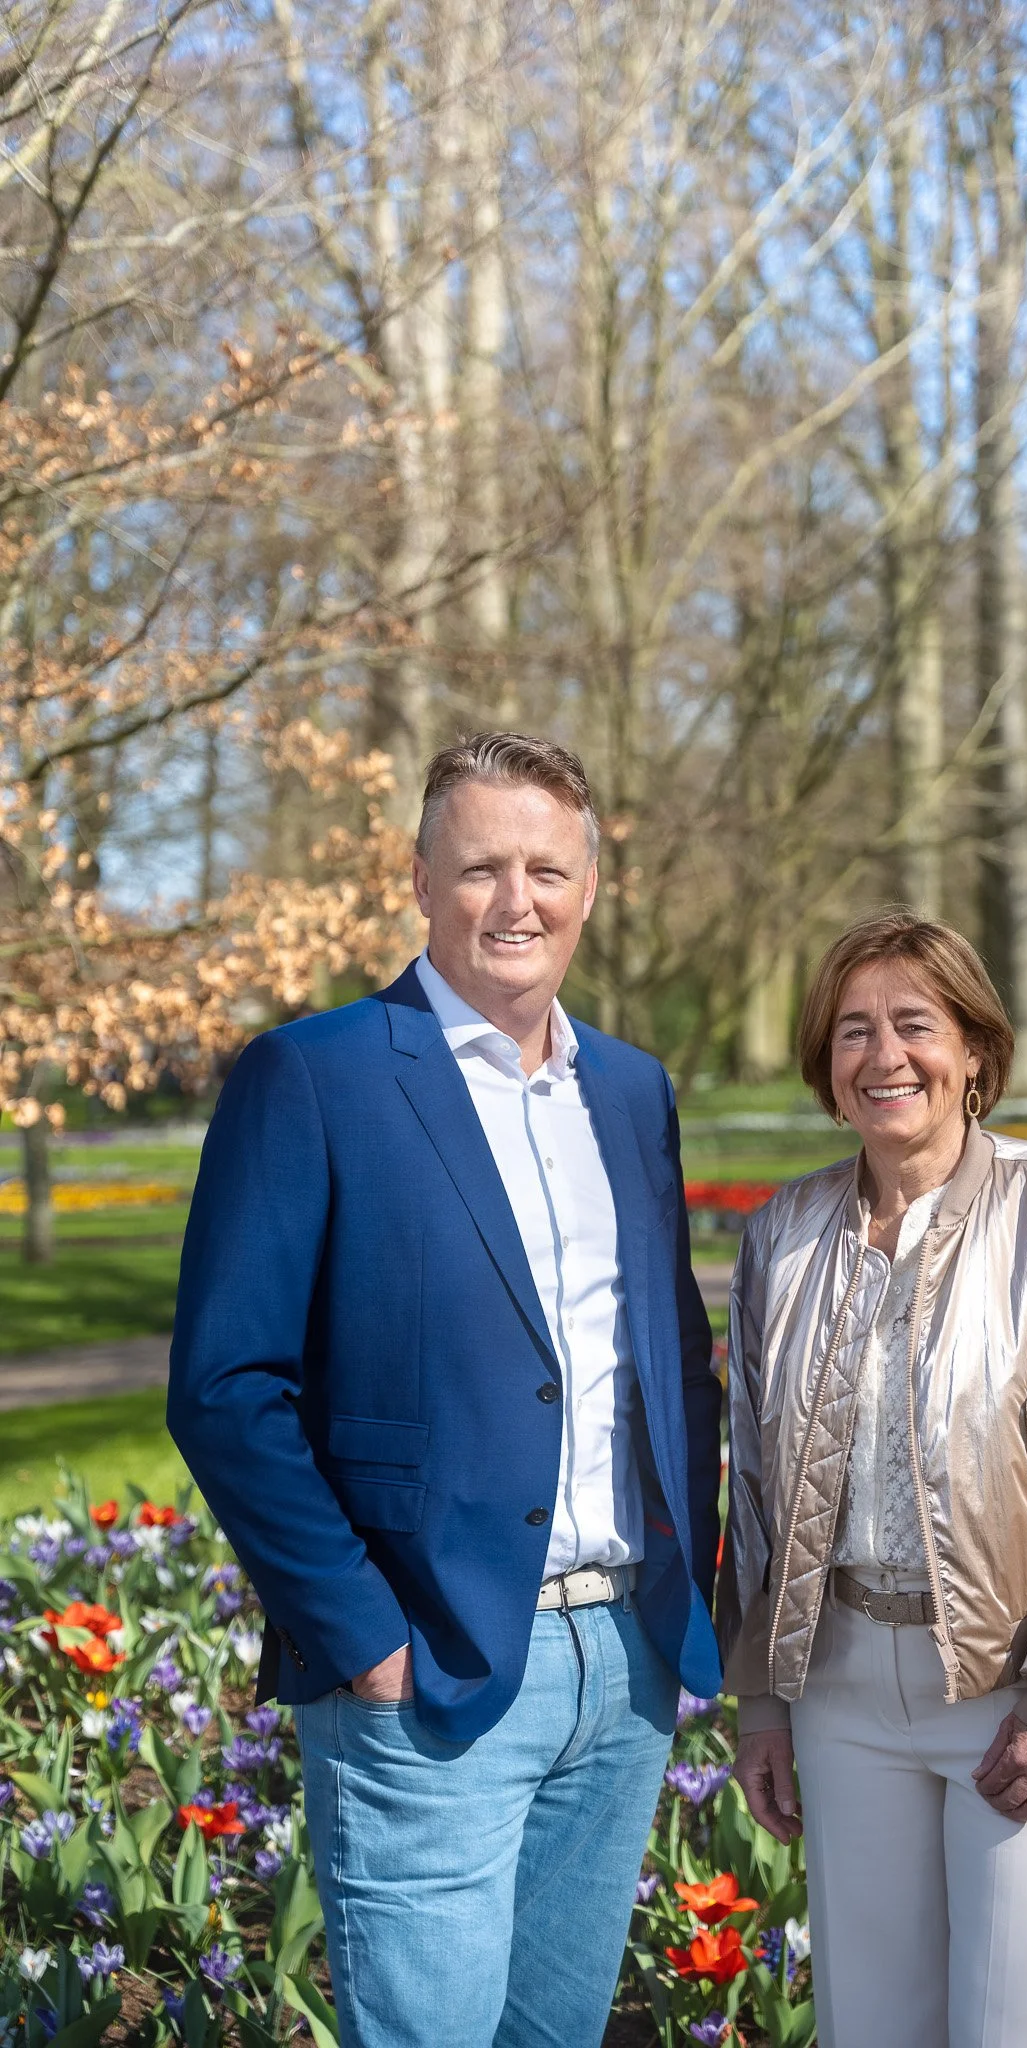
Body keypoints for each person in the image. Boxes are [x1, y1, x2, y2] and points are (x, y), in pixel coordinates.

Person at [168, 732, 722, 2048]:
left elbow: (669, 1356)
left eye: (546, 868)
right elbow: (225, 1386)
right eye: (479, 867)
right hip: (429, 1672)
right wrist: (358, 1632)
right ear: (418, 879)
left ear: (593, 885)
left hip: (625, 1668)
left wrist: (689, 1588)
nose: (514, 900)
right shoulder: (318, 1077)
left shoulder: (633, 1095)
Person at [717, 909, 1027, 2048]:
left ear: (975, 1049)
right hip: (839, 1694)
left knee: (1014, 2029)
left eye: (915, 1025)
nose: (885, 1056)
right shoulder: (783, 1234)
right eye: (852, 1031)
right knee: (868, 2028)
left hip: (1012, 1690)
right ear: (826, 1066)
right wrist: (764, 1695)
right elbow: (754, 1481)